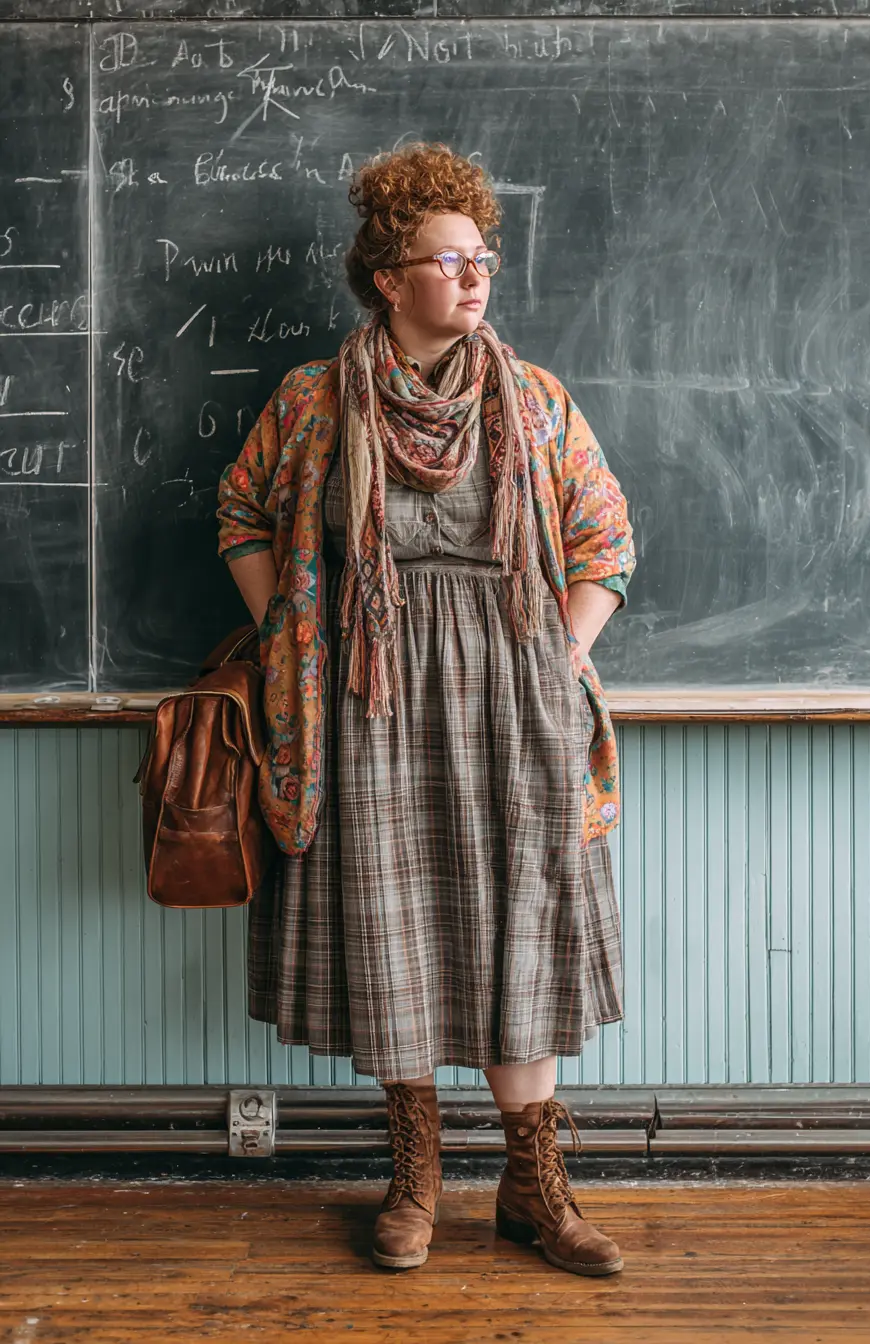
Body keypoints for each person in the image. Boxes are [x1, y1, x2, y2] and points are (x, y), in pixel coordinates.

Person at [217, 140, 637, 1277]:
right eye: (445, 259)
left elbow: (605, 541)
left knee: (524, 936)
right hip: (370, 698)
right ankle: (414, 1179)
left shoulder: (535, 401)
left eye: (481, 255)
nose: (472, 275)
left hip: (517, 703)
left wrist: (557, 655)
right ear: (384, 277)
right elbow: (242, 513)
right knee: (392, 931)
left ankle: (532, 1185)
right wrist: (284, 636)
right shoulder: (316, 400)